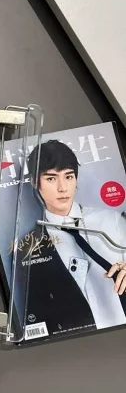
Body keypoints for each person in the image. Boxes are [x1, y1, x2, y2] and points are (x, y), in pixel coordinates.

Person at [20, 139, 126, 333]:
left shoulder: (112, 220)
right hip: (83, 338)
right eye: (51, 178)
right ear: (35, 182)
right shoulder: (31, 245)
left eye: (68, 176)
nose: (63, 187)